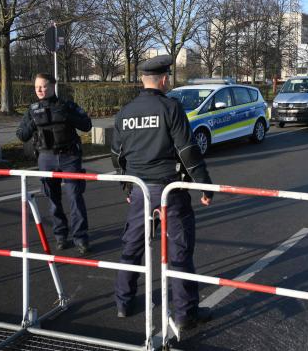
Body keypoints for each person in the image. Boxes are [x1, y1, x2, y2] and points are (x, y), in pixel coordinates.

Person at [111, 55, 213, 331]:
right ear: (164, 79)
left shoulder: (126, 112)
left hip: (140, 191)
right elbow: (187, 150)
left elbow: (116, 155)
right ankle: (185, 313)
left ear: (143, 80)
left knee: (131, 247)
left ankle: (123, 302)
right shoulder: (171, 108)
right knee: (179, 252)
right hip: (170, 191)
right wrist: (204, 185)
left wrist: (126, 186)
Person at [16, 73, 92, 254]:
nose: (40, 90)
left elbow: (86, 125)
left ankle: (80, 237)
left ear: (52, 86)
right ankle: (60, 235)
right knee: (53, 199)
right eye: (37, 88)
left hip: (69, 156)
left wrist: (67, 116)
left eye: (43, 86)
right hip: (46, 158)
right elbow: (21, 135)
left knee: (74, 197)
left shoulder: (66, 105)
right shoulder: (32, 110)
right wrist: (32, 123)